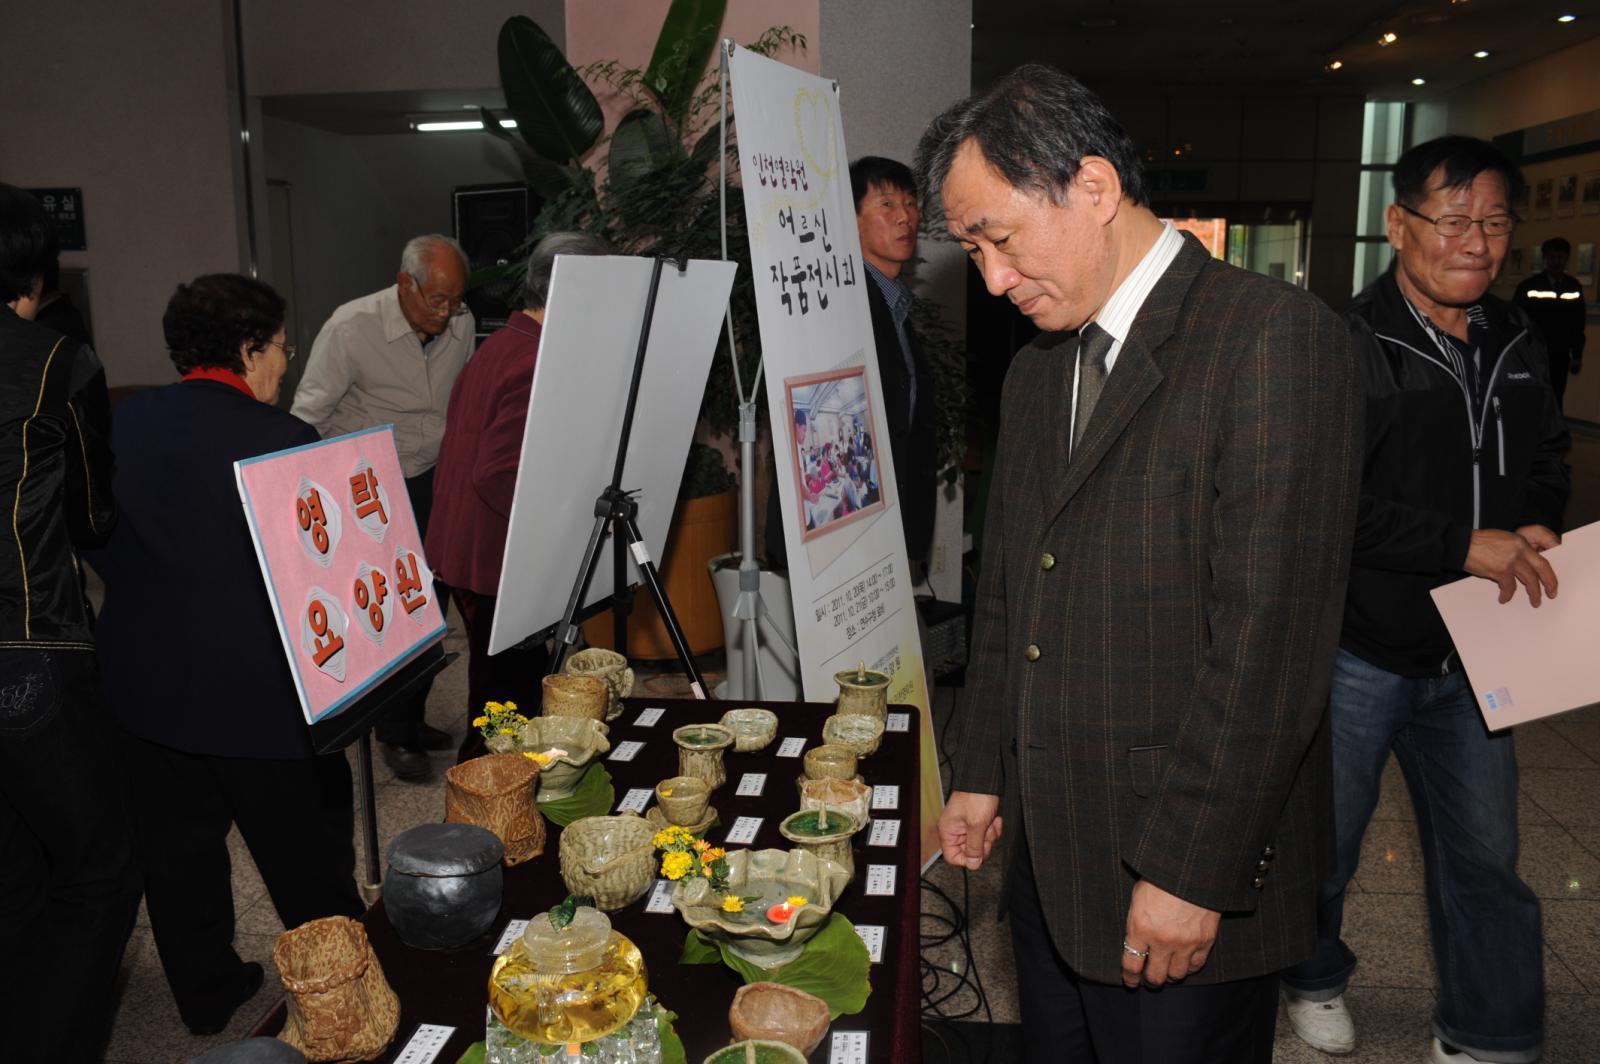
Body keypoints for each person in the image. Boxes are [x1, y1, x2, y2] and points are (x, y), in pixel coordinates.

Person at [921, 65, 1362, 1063]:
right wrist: (982, 766)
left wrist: (1191, 871)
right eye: (973, 250)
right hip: (1051, 847)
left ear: (1092, 187)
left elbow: (1271, 650)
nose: (991, 278)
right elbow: (1009, 590)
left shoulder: (1271, 342)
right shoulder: (1039, 369)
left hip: (1179, 865)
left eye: (998, 237)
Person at [1281, 136, 1569, 1064]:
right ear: (1399, 225)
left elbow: (1549, 459)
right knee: (1325, 850)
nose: (1476, 243)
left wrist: (1538, 522)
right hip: (1362, 649)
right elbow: (1323, 504)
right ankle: (1313, 974)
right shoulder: (1345, 341)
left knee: (1487, 859)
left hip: (1481, 653)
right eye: (1454, 220)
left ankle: (1490, 1034)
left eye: (1494, 223)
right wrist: (1459, 545)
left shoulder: (1516, 337)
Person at [99, 274, 364, 1036]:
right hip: (257, 696)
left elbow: (90, 529)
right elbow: (320, 573)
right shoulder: (284, 442)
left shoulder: (124, 420)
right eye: (283, 347)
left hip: (144, 687)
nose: (286, 362)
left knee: (177, 857)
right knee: (304, 856)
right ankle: (341, 987)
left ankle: (209, 993)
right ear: (250, 349)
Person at [0, 183, 139, 1062]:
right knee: (100, 870)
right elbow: (91, 519)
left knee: (14, 865)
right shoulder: (56, 362)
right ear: (37, 271)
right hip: (29, 646)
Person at [291, 234, 475, 778]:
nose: (447, 313)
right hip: (369, 483)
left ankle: (408, 718)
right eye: (436, 300)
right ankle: (391, 732)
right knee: (389, 608)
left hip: (434, 479)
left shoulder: (461, 325)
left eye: (455, 301)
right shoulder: (351, 328)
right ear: (404, 285)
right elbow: (308, 415)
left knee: (429, 607)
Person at [427, 231, 608, 754]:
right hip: (494, 561)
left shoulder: (504, 344)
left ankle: (494, 805)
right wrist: (562, 527)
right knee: (504, 711)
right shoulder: (534, 362)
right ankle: (481, 816)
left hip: (469, 548)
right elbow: (499, 474)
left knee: (502, 696)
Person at [765, 157, 940, 571]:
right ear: (851, 218)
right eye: (886, 205)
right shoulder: (836, 300)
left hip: (883, 533)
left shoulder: (895, 305)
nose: (905, 218)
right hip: (837, 539)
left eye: (911, 204)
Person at [1514, 236, 1586, 411]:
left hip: (1559, 353)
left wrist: (1577, 355)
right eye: (1552, 257)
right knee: (1534, 394)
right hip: (1534, 352)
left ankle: (1554, 436)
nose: (1556, 262)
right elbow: (1517, 320)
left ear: (1566, 259)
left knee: (1556, 396)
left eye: (1560, 257)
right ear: (1545, 259)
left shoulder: (1573, 287)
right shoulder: (1529, 286)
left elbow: (1578, 323)